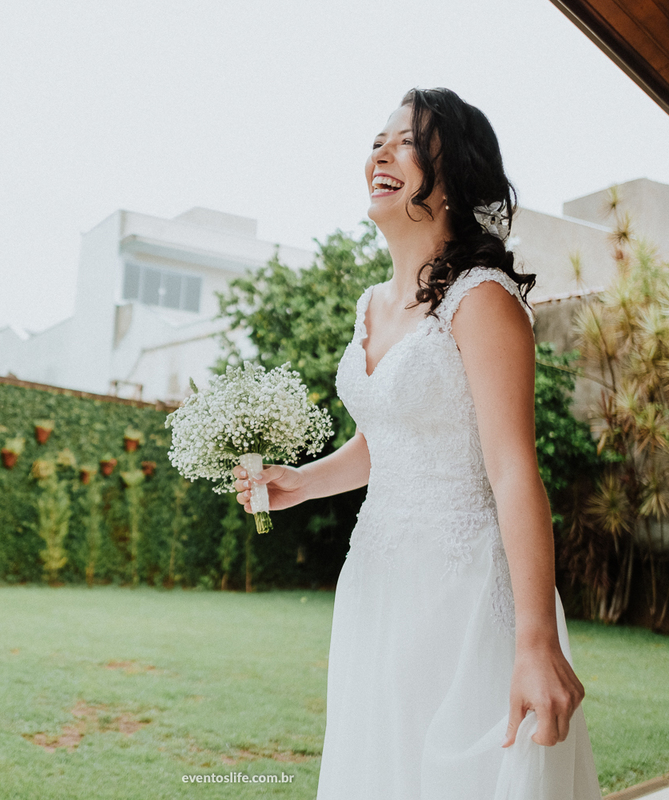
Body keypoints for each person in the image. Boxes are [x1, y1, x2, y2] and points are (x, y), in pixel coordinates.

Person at [232, 88, 602, 799]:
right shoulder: (371, 304)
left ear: (452, 176)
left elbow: (512, 470)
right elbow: (392, 439)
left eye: (407, 141)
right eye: (379, 140)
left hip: (465, 593)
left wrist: (536, 642)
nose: (382, 152)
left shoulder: (482, 298)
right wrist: (302, 481)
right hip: (377, 585)